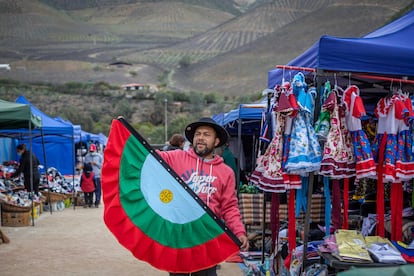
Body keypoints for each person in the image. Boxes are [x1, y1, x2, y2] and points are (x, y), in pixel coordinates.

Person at [157, 117, 249, 276]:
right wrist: (127, 141)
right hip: (179, 237)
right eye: (198, 134)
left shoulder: (225, 172)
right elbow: (148, 158)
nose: (200, 137)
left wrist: (239, 231)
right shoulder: (176, 157)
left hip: (207, 239)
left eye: (206, 134)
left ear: (216, 141)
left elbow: (229, 207)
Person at [84, 143, 103, 208]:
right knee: (90, 190)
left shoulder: (99, 156)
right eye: (90, 151)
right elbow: (85, 166)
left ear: (95, 150)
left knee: (97, 190)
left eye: (92, 151)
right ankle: (90, 202)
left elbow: (102, 166)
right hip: (89, 176)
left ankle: (97, 202)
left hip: (97, 175)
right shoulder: (87, 156)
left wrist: (96, 163)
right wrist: (88, 164)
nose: (91, 152)